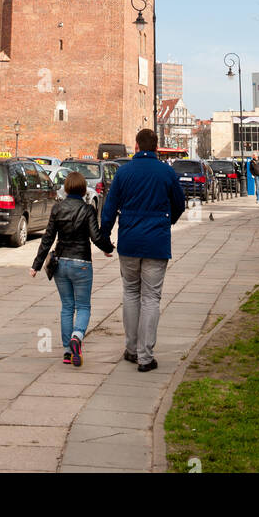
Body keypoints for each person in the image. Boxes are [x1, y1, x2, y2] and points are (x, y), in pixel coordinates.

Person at [99, 128, 186, 372]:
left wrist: (105, 237)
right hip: (156, 244)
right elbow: (180, 204)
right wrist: (166, 221)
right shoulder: (166, 172)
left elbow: (109, 207)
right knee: (151, 297)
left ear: (137, 146)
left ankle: (131, 348)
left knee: (130, 293)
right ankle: (145, 356)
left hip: (129, 242)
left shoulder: (124, 172)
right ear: (156, 147)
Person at [30, 171, 113, 365]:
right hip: (82, 263)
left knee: (67, 306)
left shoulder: (57, 209)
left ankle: (68, 351)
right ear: (84, 189)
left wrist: (36, 265)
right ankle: (77, 337)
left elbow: (47, 238)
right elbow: (96, 236)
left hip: (60, 263)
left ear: (66, 188)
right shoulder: (87, 210)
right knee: (83, 306)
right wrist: (108, 249)